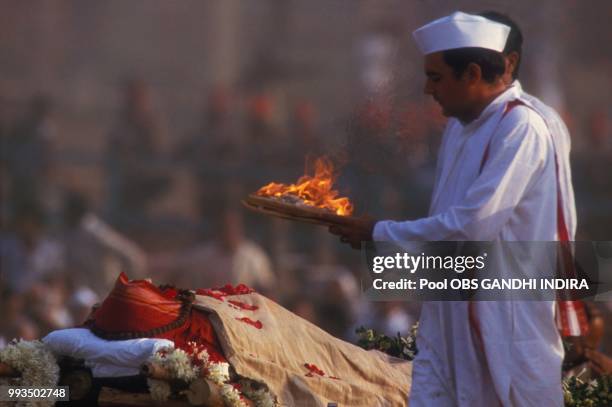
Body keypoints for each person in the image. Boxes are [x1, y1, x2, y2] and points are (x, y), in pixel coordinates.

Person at [330, 11, 576, 406]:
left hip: (505, 323)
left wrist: (379, 232)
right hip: (447, 315)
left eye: (436, 77)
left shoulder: (523, 127)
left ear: (473, 73)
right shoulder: (460, 128)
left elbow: (472, 227)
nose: (428, 89)